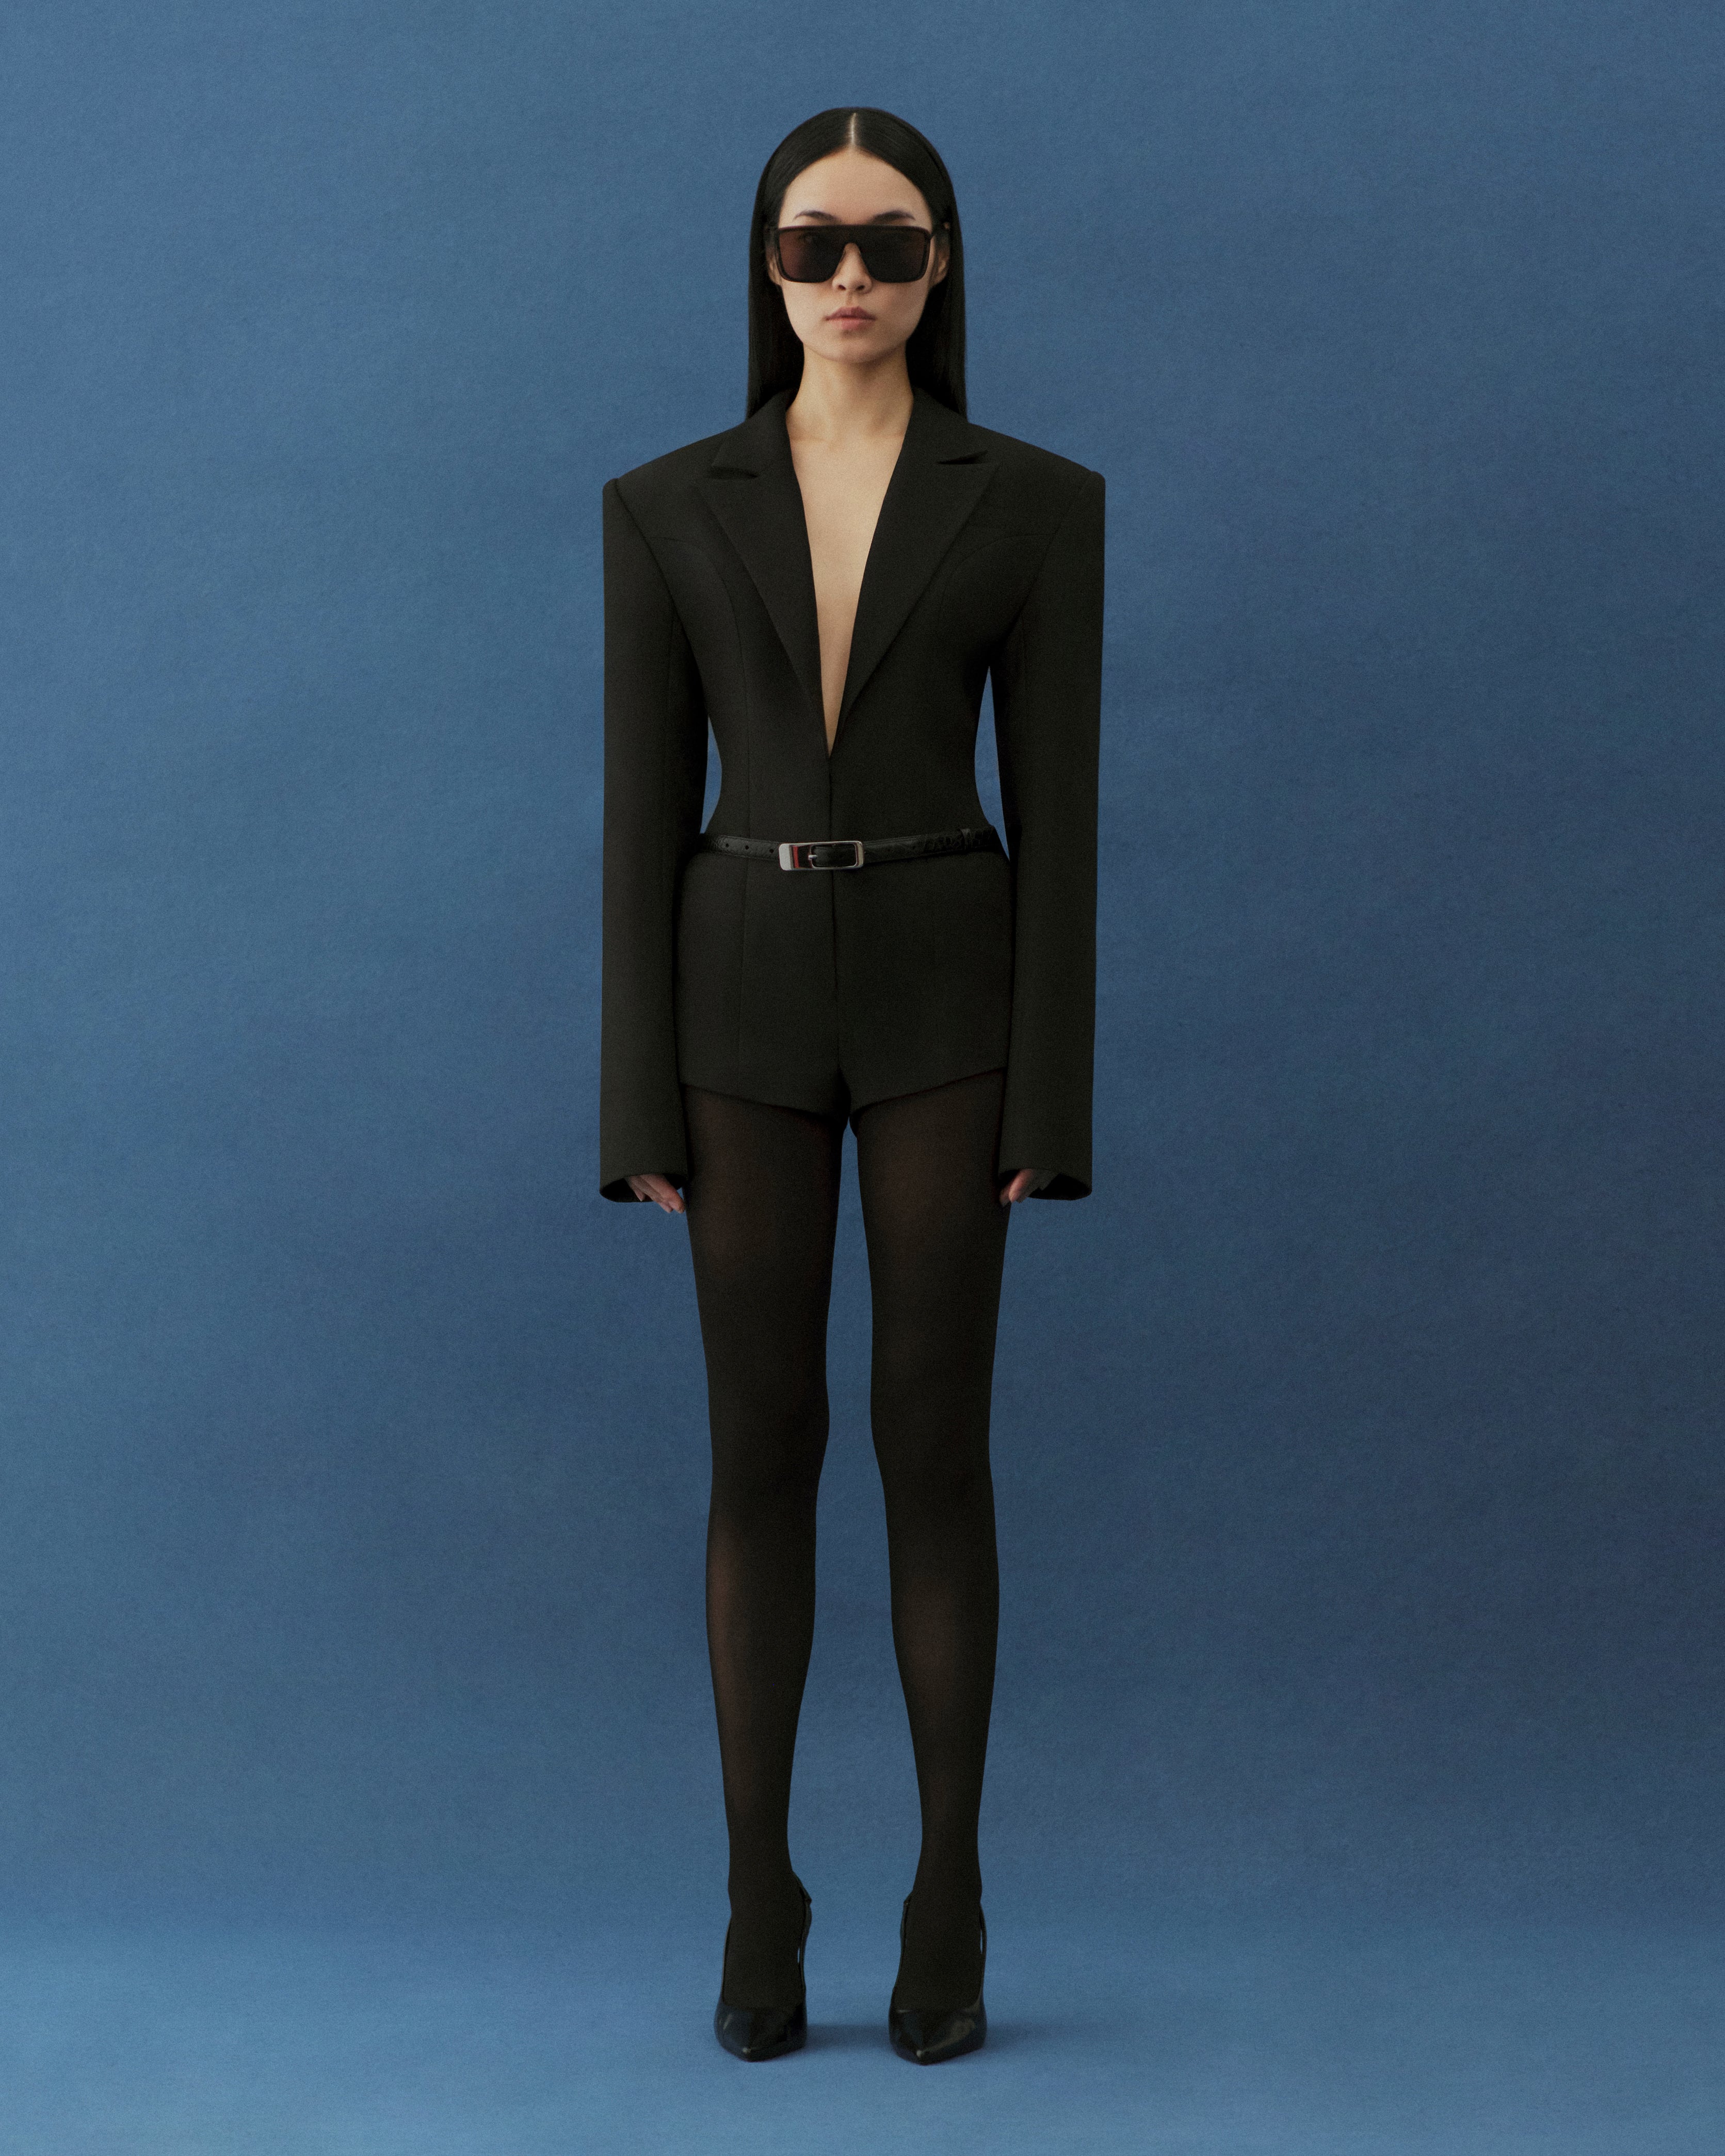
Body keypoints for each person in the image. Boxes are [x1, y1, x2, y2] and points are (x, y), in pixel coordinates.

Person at [599, 105, 1104, 2065]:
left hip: (945, 995)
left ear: (942, 261)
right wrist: (634, 1102)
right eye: (813, 244)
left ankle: (948, 1887)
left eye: (890, 243)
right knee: (762, 1445)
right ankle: (760, 1892)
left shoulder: (1033, 500)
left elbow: (1059, 819)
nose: (851, 280)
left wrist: (1050, 1102)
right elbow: (643, 811)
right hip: (733, 998)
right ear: (766, 262)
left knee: (932, 1440)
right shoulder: (667, 500)